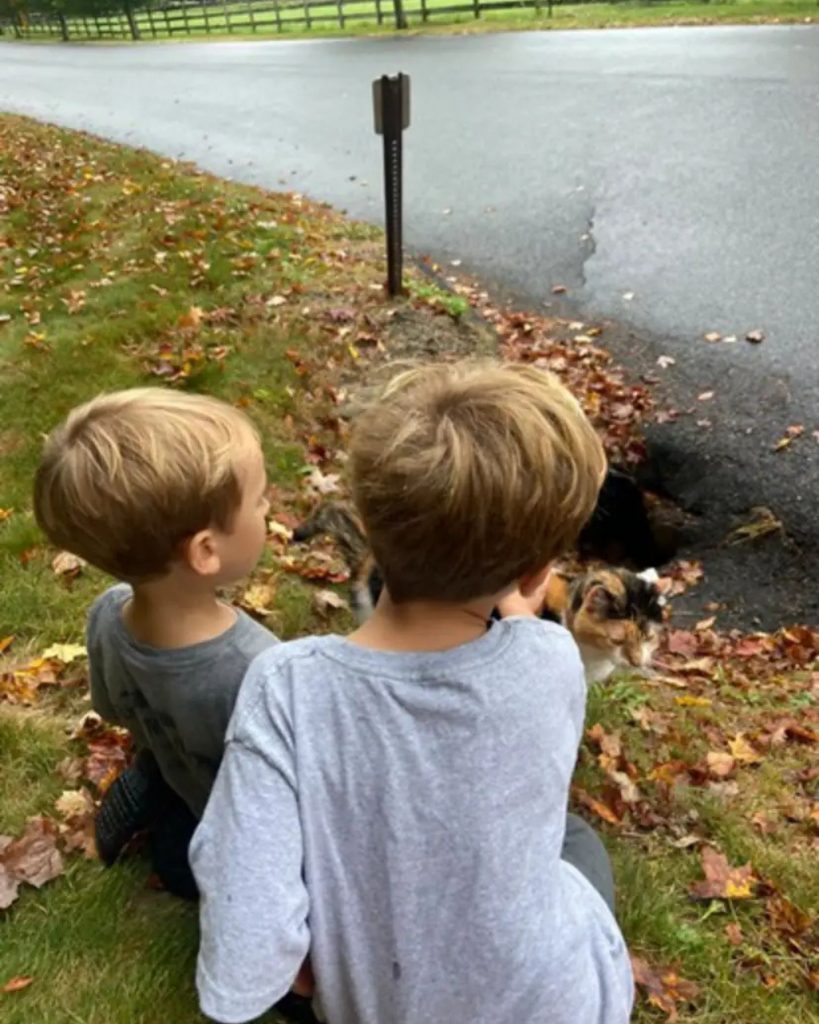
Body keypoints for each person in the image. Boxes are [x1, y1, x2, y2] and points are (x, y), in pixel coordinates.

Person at [191, 361, 634, 1024]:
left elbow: (245, 961)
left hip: (385, 1004)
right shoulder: (548, 659)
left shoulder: (287, 689)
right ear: (535, 572)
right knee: (577, 846)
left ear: (369, 525)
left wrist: (309, 965)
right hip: (557, 1003)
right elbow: (523, 637)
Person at [33, 388, 279, 899]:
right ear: (206, 551)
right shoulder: (259, 667)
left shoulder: (107, 613)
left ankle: (155, 785)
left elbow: (111, 706)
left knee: (174, 846)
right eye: (259, 500)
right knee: (202, 868)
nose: (269, 505)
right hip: (239, 824)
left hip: (177, 767)